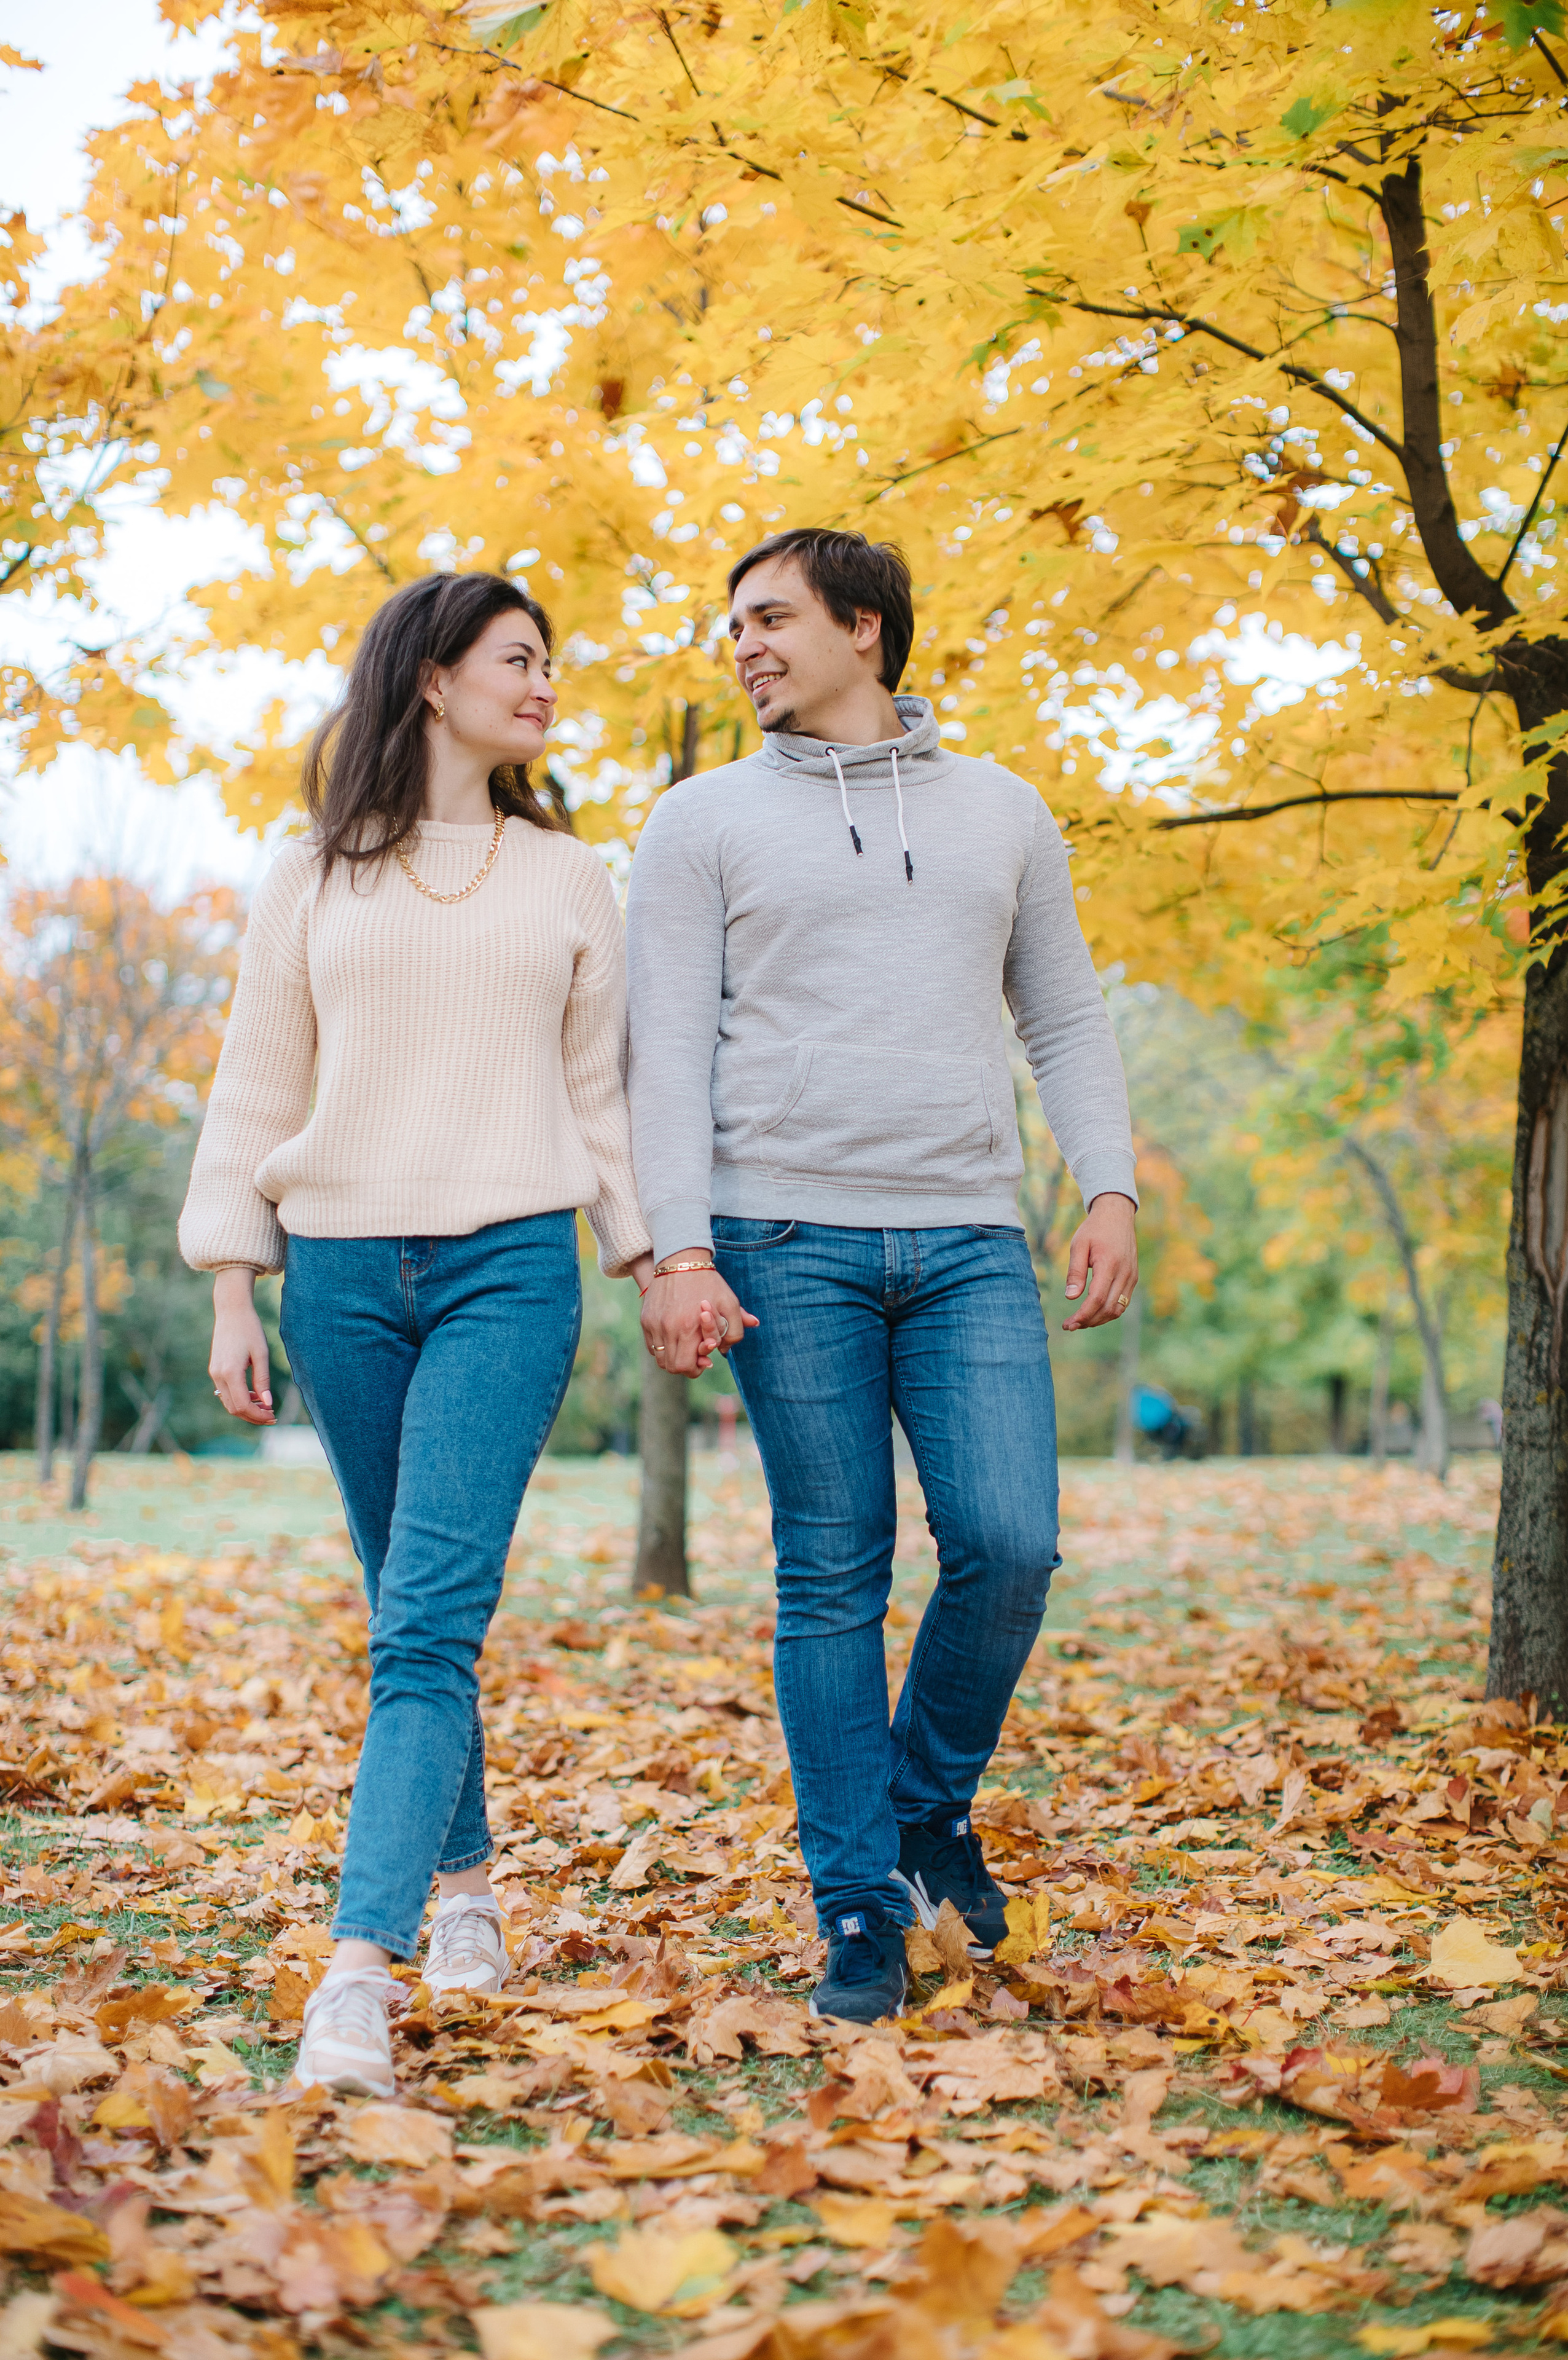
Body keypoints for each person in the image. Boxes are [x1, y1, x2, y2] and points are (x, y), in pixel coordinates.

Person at [627, 528, 1137, 2025]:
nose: (744, 645)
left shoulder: (1001, 811)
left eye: (770, 617)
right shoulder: (699, 820)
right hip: (780, 1237)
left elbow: (1064, 1015)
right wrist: (677, 1245)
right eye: (733, 624)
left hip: (970, 1232)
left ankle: (921, 1810)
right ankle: (855, 1901)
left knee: (1009, 1545)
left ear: (864, 627)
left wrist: (1106, 1184)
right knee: (831, 1572)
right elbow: (664, 1046)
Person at [179, 572, 653, 2094]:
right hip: (335, 1279)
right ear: (433, 679)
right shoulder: (309, 873)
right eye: (519, 658)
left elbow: (598, 1093)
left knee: (427, 1622)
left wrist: (650, 1256)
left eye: (550, 660)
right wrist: (230, 1280)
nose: (545, 684)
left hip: (507, 1272)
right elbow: (257, 1082)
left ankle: (353, 1980)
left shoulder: (568, 877)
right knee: (409, 1611)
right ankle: (465, 1892)